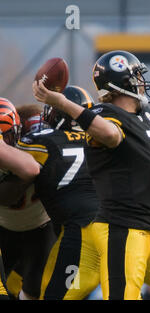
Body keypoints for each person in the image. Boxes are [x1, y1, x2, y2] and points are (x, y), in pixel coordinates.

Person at [32, 50, 150, 300]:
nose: (142, 82)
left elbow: (145, 161)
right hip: (121, 230)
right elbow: (110, 135)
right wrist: (62, 102)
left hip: (147, 233)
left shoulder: (144, 115)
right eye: (137, 76)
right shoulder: (104, 114)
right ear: (121, 84)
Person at [17, 86, 102, 300]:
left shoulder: (43, 140)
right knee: (42, 288)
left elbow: (12, 157)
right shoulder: (100, 140)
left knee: (55, 295)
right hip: (103, 226)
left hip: (80, 231)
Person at [0, 98, 55, 300]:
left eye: (6, 136)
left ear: (18, 128)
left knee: (34, 291)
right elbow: (6, 196)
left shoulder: (35, 140)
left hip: (40, 227)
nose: (4, 143)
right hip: (4, 227)